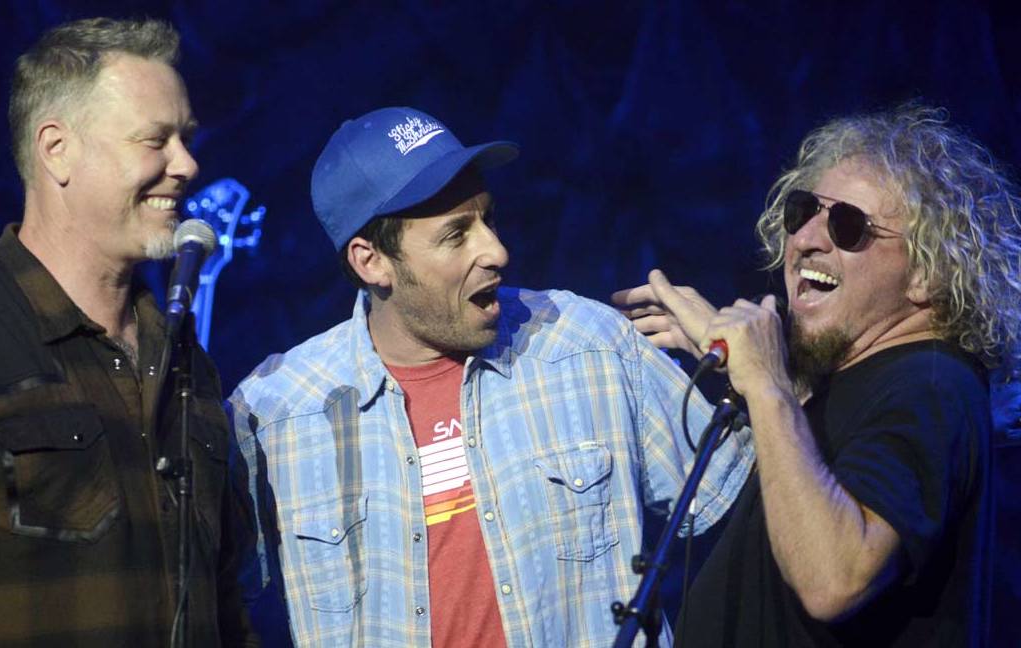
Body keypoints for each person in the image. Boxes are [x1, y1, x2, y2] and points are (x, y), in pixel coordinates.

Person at [229, 106, 756, 646]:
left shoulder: (587, 345)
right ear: (372, 263)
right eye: (456, 235)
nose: (497, 251)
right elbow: (205, 601)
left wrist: (759, 380)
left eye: (489, 219)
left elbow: (753, 515)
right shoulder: (276, 416)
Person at [614, 104, 1021, 645]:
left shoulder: (930, 387)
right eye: (803, 213)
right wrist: (746, 368)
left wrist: (768, 384)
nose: (805, 240)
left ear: (928, 273)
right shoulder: (867, 385)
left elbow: (835, 579)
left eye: (847, 225)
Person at [0, 18, 257, 647]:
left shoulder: (187, 365)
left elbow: (223, 604)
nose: (188, 163)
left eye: (187, 138)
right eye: (156, 140)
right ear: (56, 149)